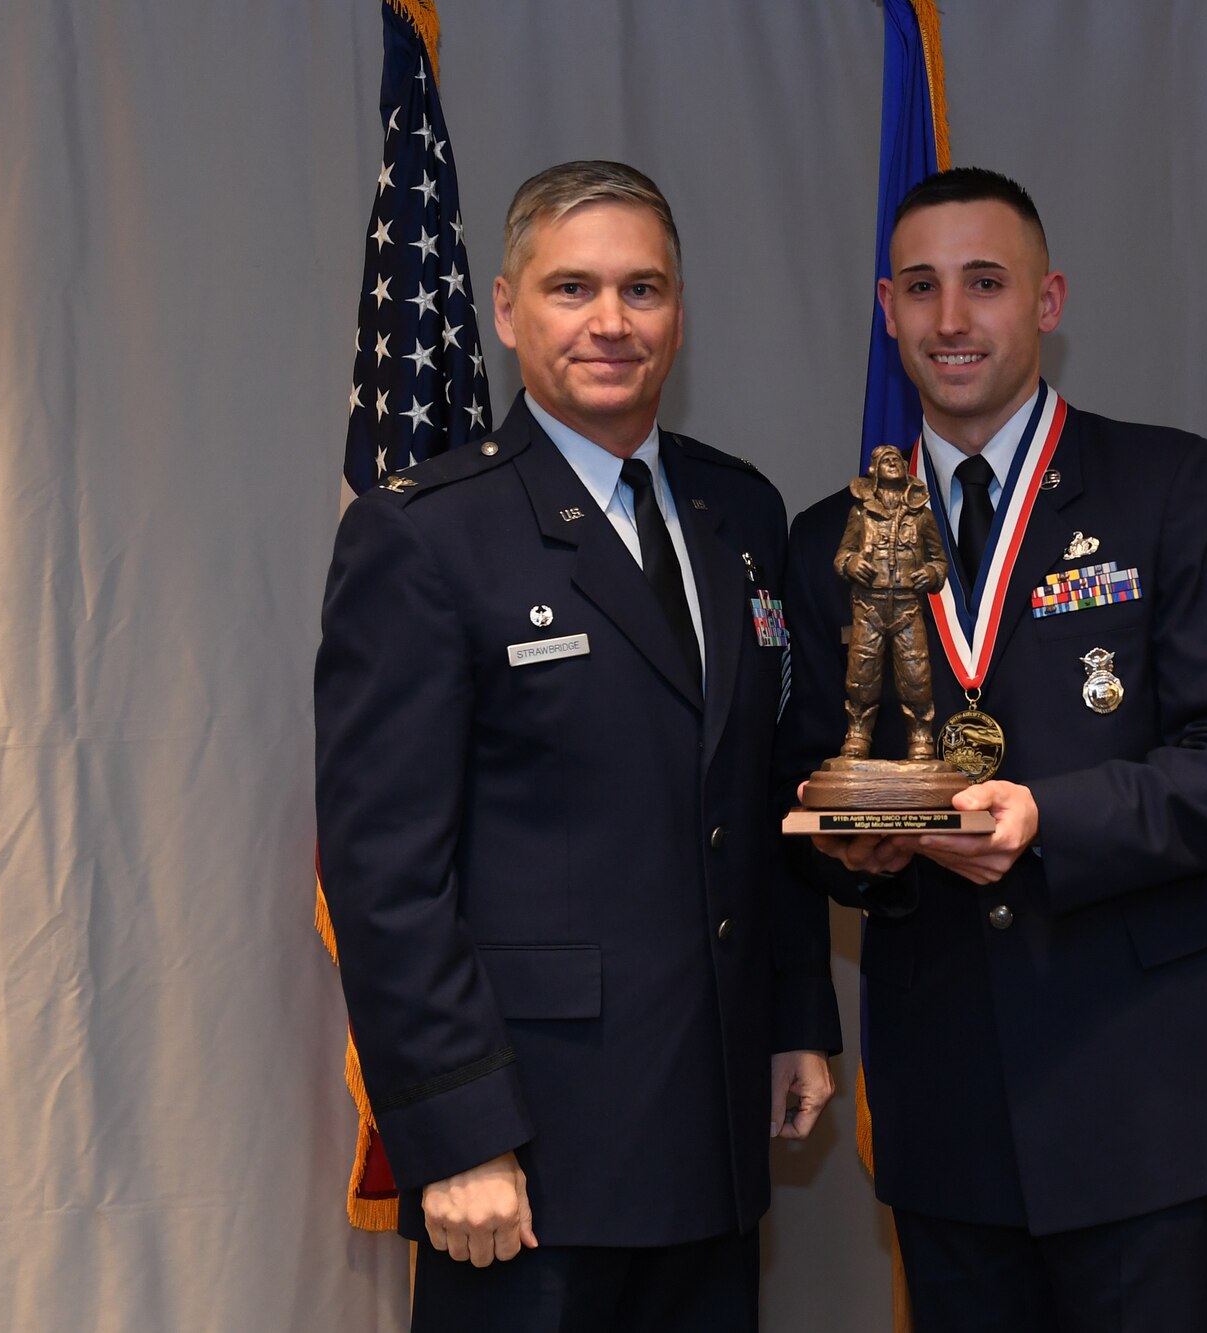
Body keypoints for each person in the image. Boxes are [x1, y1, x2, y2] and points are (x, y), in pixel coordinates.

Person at [777, 167, 1207, 1333]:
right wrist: (858, 853)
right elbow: (807, 787)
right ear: (886, 310)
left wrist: (1043, 819)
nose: (951, 319)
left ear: (1046, 299)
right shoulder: (833, 537)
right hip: (943, 1086)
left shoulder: (1165, 484)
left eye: (985, 283)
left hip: (1136, 1080)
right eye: (921, 288)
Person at [315, 160, 839, 1332]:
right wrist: (456, 1133)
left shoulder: (739, 513)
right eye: (572, 290)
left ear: (679, 312)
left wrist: (796, 1009)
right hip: (529, 1159)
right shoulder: (426, 538)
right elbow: (384, 870)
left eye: (641, 289)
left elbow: (758, 796)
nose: (610, 322)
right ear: (505, 311)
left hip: (710, 1131)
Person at [836, 445, 949, 759]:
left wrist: (930, 572)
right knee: (861, 675)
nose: (891, 462)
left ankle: (920, 737)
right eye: (883, 460)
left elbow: (940, 560)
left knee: (917, 676)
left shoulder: (922, 516)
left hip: (907, 607)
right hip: (869, 608)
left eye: (896, 459)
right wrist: (851, 564)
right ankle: (858, 733)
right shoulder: (860, 514)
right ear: (872, 472)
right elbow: (842, 556)